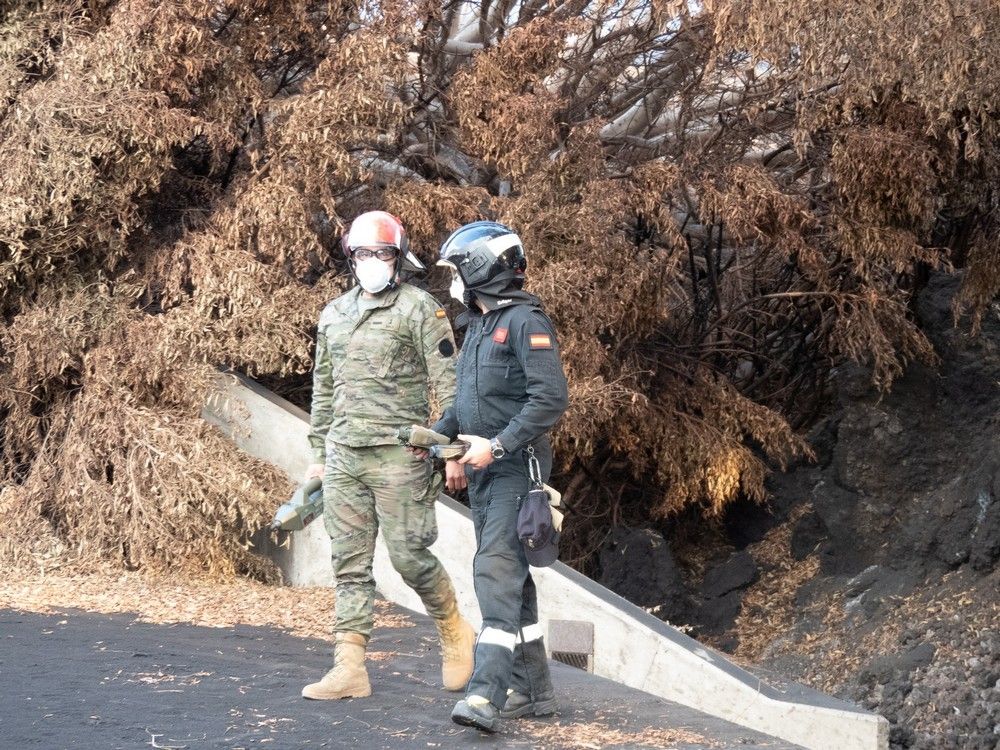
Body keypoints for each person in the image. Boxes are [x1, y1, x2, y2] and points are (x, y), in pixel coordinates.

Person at [301, 210, 475, 701]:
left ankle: (454, 629)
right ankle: (349, 667)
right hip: (345, 457)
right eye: (362, 253)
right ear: (350, 258)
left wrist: (452, 451)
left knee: (408, 557)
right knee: (349, 564)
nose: (371, 261)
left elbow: (449, 385)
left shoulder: (420, 309)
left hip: (402, 455)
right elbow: (323, 389)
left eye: (381, 253)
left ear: (397, 259)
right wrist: (318, 451)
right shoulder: (333, 313)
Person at [429, 221, 569, 732]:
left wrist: (499, 444)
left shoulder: (527, 323)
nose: (452, 283)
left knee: (495, 573)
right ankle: (533, 694)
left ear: (480, 270)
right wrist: (438, 440)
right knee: (513, 580)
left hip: (516, 469)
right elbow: (469, 401)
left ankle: (486, 695)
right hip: (487, 470)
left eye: (456, 272)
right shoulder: (482, 326)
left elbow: (550, 399)